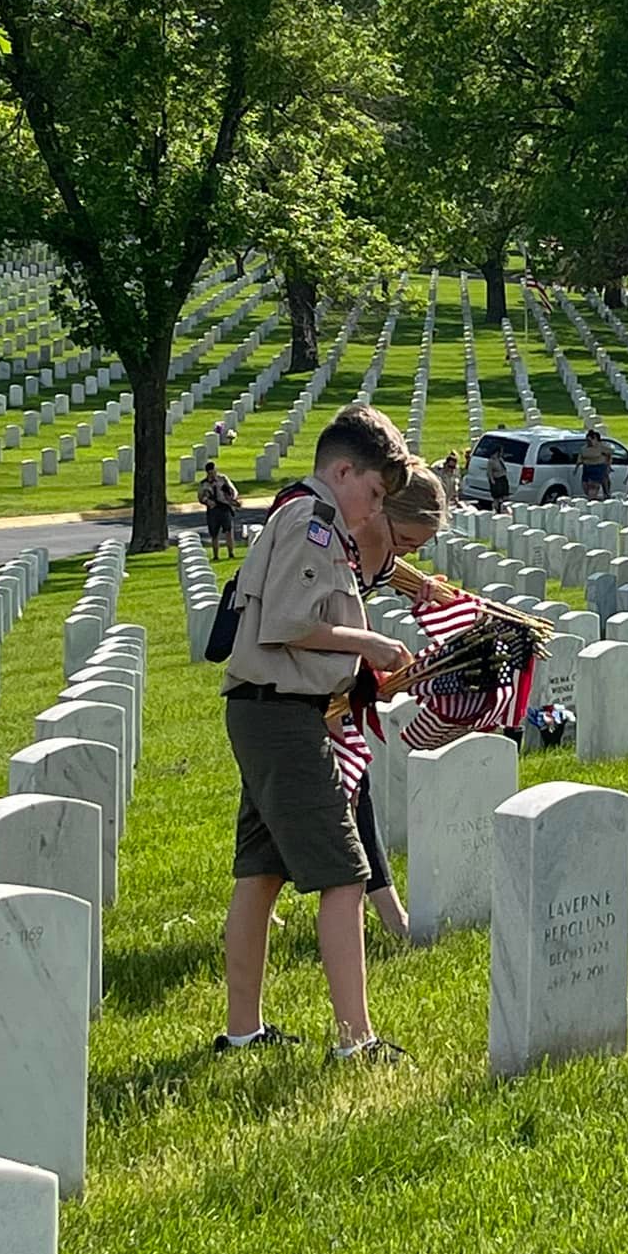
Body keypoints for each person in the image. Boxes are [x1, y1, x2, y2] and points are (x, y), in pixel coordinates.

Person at [217, 405, 412, 1064]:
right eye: (375, 493)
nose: (373, 509)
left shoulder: (315, 520)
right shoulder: (313, 518)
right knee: (345, 873)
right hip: (277, 712)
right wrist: (372, 643)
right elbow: (290, 624)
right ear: (342, 470)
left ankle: (242, 1032)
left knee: (263, 873)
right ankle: (356, 1041)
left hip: (268, 707)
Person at [348, 461, 449, 940]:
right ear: (378, 512)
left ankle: (251, 913)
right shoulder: (333, 548)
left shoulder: (374, 547)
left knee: (276, 811)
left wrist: (424, 588)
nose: (406, 553)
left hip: (320, 692)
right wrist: (371, 652)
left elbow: (388, 568)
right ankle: (394, 918)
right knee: (346, 792)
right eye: (406, 540)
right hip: (284, 689)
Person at [198, 460, 241, 560]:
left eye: (213, 472)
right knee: (214, 534)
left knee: (228, 531)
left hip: (225, 508)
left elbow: (233, 490)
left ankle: (231, 553)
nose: (212, 475)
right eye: (210, 473)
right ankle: (216, 555)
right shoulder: (204, 484)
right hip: (213, 510)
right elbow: (200, 497)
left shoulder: (223, 479)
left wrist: (232, 499)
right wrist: (207, 501)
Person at [579, 428, 610, 499]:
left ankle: (592, 500)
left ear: (595, 439)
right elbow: (580, 458)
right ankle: (592, 498)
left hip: (597, 468)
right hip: (587, 468)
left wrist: (607, 465)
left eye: (590, 440)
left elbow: (609, 453)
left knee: (593, 487)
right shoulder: (584, 448)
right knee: (585, 487)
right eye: (587, 440)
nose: (588, 442)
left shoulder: (600, 447)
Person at [486, 443, 511, 510]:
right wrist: (492, 481)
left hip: (503, 479)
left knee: (505, 496)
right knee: (497, 497)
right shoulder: (491, 461)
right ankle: (496, 508)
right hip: (497, 480)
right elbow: (489, 472)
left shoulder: (500, 459)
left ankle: (503, 508)